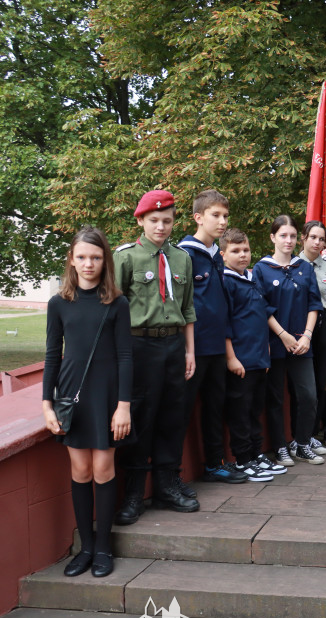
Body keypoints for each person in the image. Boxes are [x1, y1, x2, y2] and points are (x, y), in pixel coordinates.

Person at [43, 227, 132, 577]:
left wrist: (123, 405)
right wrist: (47, 404)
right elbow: (52, 356)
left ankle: (104, 549)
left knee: (103, 469)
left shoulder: (117, 302)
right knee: (80, 471)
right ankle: (86, 548)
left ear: (104, 260)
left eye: (95, 257)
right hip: (71, 397)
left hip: (107, 395)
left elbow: (126, 356)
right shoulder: (58, 303)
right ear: (71, 259)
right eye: (81, 257)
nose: (88, 263)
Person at [113, 189, 199, 525]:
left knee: (172, 417)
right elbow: (114, 312)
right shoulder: (125, 258)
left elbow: (188, 308)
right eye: (154, 221)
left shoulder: (181, 258)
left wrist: (190, 350)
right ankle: (134, 494)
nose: (161, 227)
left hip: (174, 346)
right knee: (141, 418)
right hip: (139, 347)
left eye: (166, 221)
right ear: (141, 220)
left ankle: (166, 486)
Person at [179, 189, 247, 485]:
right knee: (180, 412)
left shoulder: (215, 256)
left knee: (215, 407)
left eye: (225, 216)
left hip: (216, 348)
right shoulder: (185, 254)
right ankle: (172, 475)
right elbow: (183, 306)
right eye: (215, 216)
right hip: (193, 350)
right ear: (198, 218)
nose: (222, 222)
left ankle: (215, 463)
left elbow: (222, 306)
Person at [252, 215, 325, 465]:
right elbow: (262, 307)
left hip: (302, 343)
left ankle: (301, 442)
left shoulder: (304, 267)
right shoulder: (261, 268)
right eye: (283, 235)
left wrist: (307, 335)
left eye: (293, 236)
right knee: (276, 398)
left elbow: (314, 304)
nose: (288, 240)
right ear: (273, 237)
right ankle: (280, 446)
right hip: (274, 343)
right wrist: (282, 335)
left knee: (308, 396)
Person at [220, 228, 286, 482]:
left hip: (259, 358)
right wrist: (231, 358)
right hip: (240, 361)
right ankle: (243, 459)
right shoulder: (226, 281)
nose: (242, 255)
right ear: (224, 255)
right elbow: (225, 322)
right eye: (235, 251)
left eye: (245, 250)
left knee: (254, 409)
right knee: (240, 412)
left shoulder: (251, 278)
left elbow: (260, 317)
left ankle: (256, 454)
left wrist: (266, 350)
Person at [296, 220, 326, 449]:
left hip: (323, 324)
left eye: (321, 238)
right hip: (297, 324)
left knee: (321, 379)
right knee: (303, 383)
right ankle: (298, 434)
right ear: (303, 237)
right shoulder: (293, 265)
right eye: (313, 237)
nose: (317, 242)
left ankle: (314, 432)